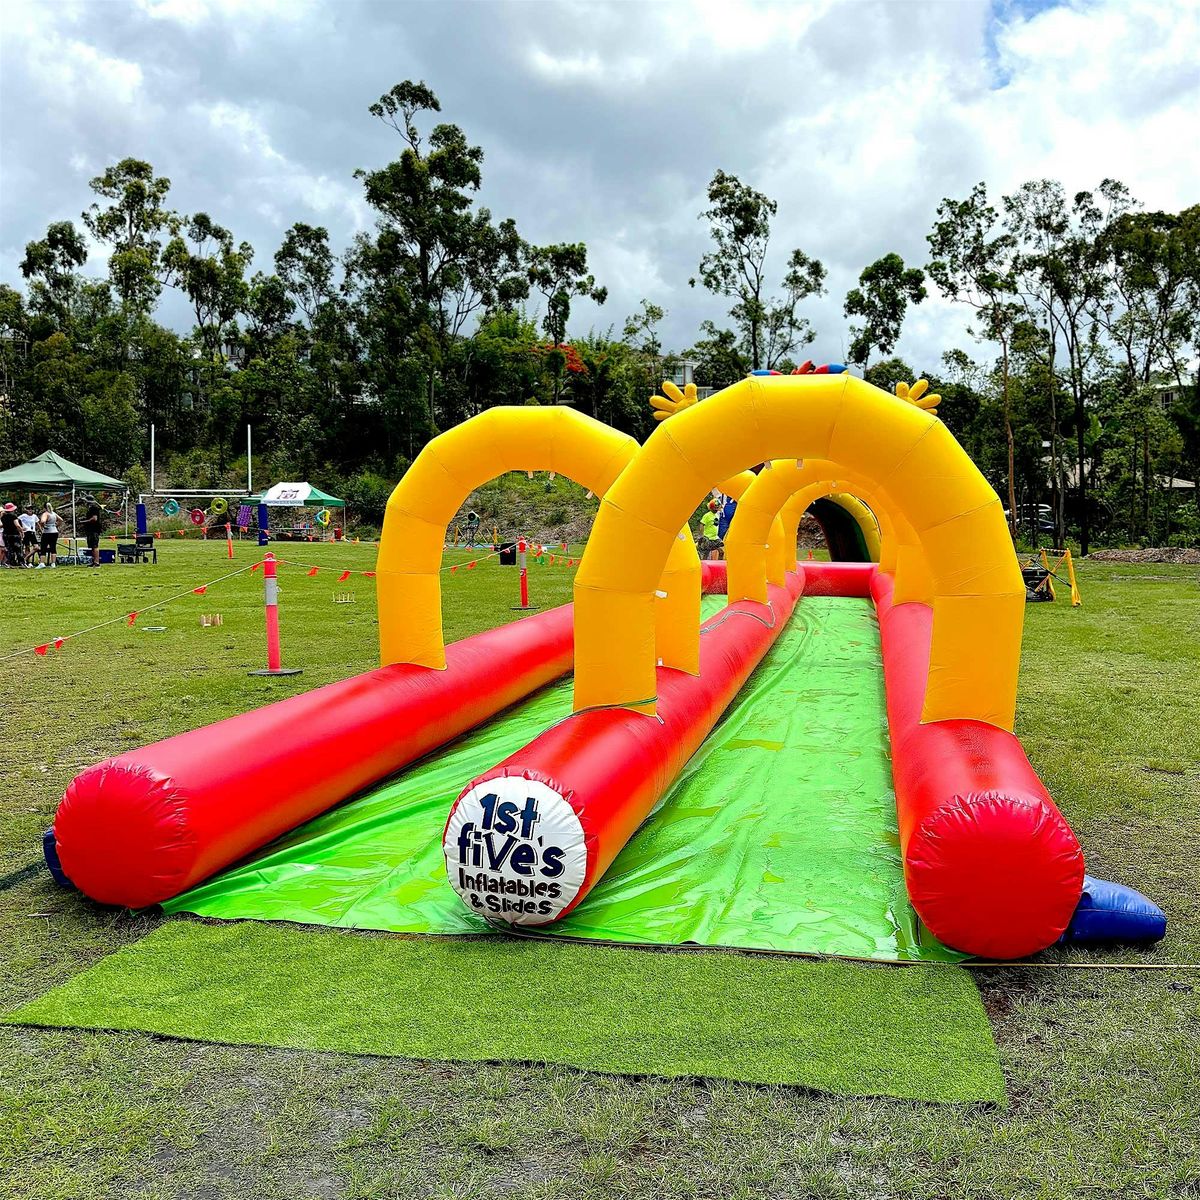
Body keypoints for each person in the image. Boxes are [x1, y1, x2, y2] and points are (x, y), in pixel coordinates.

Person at [1, 502, 23, 568]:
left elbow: (2, 525)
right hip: (14, 534)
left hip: (6, 534)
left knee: (9, 549)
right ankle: (21, 563)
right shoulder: (13, 516)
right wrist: (22, 532)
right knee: (18, 549)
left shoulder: (3, 517)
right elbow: (17, 525)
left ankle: (11, 563)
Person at [39, 503, 60, 567]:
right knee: (53, 547)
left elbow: (42, 521)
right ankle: (53, 563)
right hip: (54, 531)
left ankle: (42, 563)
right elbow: (61, 520)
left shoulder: (45, 514)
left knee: (43, 547)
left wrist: (43, 526)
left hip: (47, 532)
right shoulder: (53, 513)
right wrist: (56, 525)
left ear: (44, 508)